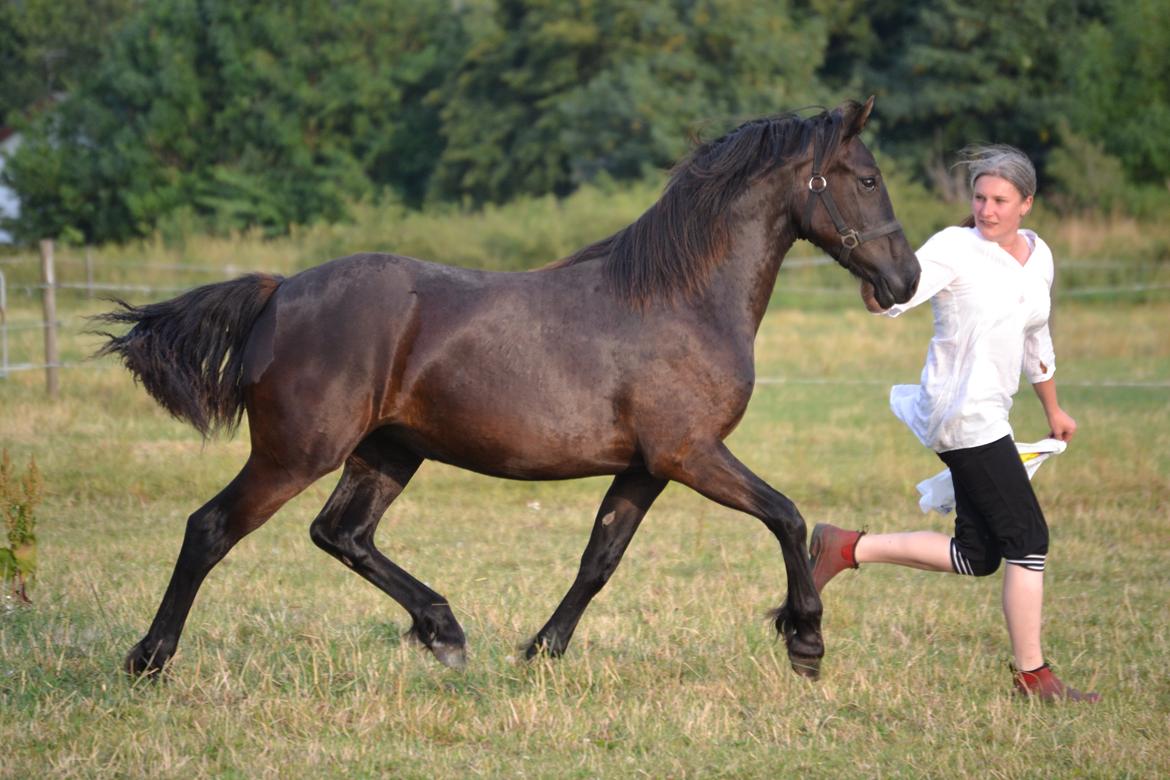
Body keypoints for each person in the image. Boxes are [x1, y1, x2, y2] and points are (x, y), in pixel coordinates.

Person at [811, 144, 1099, 703]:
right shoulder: (953, 247)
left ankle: (844, 547)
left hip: (993, 411)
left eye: (1000, 200)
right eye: (980, 198)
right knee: (1029, 539)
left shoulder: (1039, 257)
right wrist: (871, 276)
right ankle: (1034, 678)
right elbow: (893, 298)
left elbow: (1035, 340)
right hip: (960, 413)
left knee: (978, 554)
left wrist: (1053, 408)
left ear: (1026, 205)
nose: (987, 210)